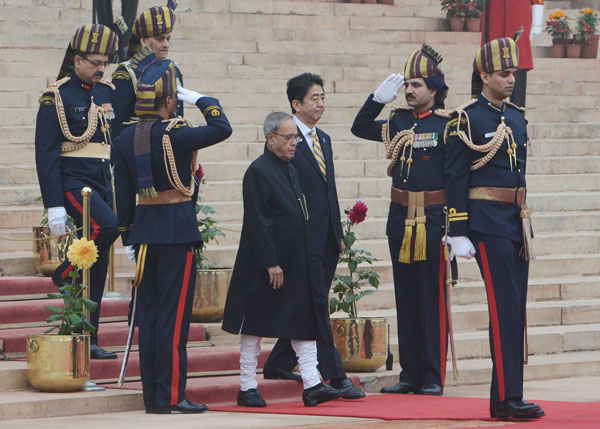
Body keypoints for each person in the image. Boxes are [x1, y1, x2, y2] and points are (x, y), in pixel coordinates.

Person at [113, 59, 232, 414]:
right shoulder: (176, 134)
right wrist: (203, 99)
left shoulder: (124, 137)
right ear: (169, 101)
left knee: (149, 318)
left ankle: (154, 396)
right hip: (177, 234)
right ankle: (171, 396)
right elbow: (221, 127)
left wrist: (128, 238)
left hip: (145, 236)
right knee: (174, 320)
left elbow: (122, 194)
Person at [222, 112, 352, 408]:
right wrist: (270, 262)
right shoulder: (258, 171)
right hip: (265, 263)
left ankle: (312, 383)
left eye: (296, 137)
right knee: (255, 325)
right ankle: (247, 386)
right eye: (289, 137)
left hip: (296, 260)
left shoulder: (290, 168)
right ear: (271, 139)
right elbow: (258, 221)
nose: (295, 143)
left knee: (302, 321)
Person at [444, 37, 544, 419]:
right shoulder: (466, 119)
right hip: (486, 222)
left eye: (513, 73)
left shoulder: (516, 116)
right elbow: (454, 177)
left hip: (517, 223)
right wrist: (457, 231)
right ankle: (508, 398)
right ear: (484, 75)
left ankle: (505, 397)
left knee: (514, 309)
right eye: (504, 73)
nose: (511, 79)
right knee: (503, 307)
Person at [351, 44, 451, 396]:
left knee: (431, 298)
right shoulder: (397, 121)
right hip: (401, 218)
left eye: (416, 85)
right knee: (406, 297)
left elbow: (455, 179)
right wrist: (377, 99)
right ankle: (409, 375)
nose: (409, 91)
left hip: (434, 220)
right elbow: (359, 127)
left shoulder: (448, 125)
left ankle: (432, 375)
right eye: (406, 84)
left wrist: (456, 228)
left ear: (434, 90)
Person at [263, 73, 365, 400]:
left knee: (309, 303)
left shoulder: (324, 139)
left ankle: (279, 360)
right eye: (314, 98)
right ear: (296, 104)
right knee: (318, 306)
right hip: (300, 240)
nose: (320, 104)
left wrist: (338, 233)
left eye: (323, 97)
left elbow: (328, 191)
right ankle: (334, 375)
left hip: (326, 236)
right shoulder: (286, 141)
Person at [35, 24, 121, 360]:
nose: (101, 68)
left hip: (102, 180)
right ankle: (64, 273)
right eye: (95, 61)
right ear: (76, 59)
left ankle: (90, 336)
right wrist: (54, 204)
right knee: (106, 227)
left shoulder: (104, 93)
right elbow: (45, 154)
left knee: (96, 261)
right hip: (73, 181)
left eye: (105, 62)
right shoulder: (56, 96)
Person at [111, 2, 183, 139]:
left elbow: (178, 117)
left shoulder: (174, 70)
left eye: (168, 38)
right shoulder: (127, 73)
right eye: (159, 39)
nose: (166, 44)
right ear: (143, 41)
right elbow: (119, 125)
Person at [474, 0, 545, 107]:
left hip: (518, 13)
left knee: (518, 63)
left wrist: (537, 23)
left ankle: (517, 114)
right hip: (494, 14)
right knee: (491, 60)